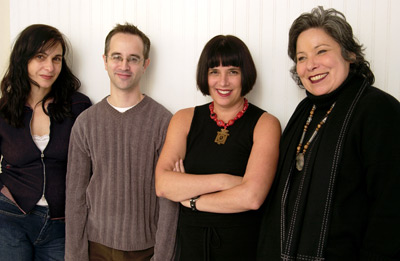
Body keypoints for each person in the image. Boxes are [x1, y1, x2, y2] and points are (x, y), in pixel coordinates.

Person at [257, 6, 400, 260]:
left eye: (321, 51)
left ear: (350, 54)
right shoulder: (305, 111)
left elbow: (391, 208)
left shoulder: (379, 110)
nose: (311, 65)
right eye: (301, 58)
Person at [155, 35, 281, 260]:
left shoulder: (266, 124)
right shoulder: (184, 118)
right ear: (205, 75)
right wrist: (226, 181)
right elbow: (163, 185)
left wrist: (191, 200)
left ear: (245, 74)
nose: (223, 82)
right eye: (214, 71)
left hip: (242, 249)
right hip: (190, 249)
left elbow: (251, 197)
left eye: (232, 71)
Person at [65, 23, 178, 261]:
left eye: (133, 59)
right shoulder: (86, 123)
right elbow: (75, 197)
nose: (124, 66)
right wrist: (75, 256)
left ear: (145, 64)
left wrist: (163, 256)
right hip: (96, 248)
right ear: (105, 60)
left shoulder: (163, 121)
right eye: (117, 57)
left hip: (146, 251)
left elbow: (169, 199)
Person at [0, 24, 91, 260]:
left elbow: (93, 164)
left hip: (61, 224)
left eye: (57, 58)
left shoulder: (78, 107)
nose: (50, 67)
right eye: (40, 57)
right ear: (24, 59)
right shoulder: (3, 110)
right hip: (10, 219)